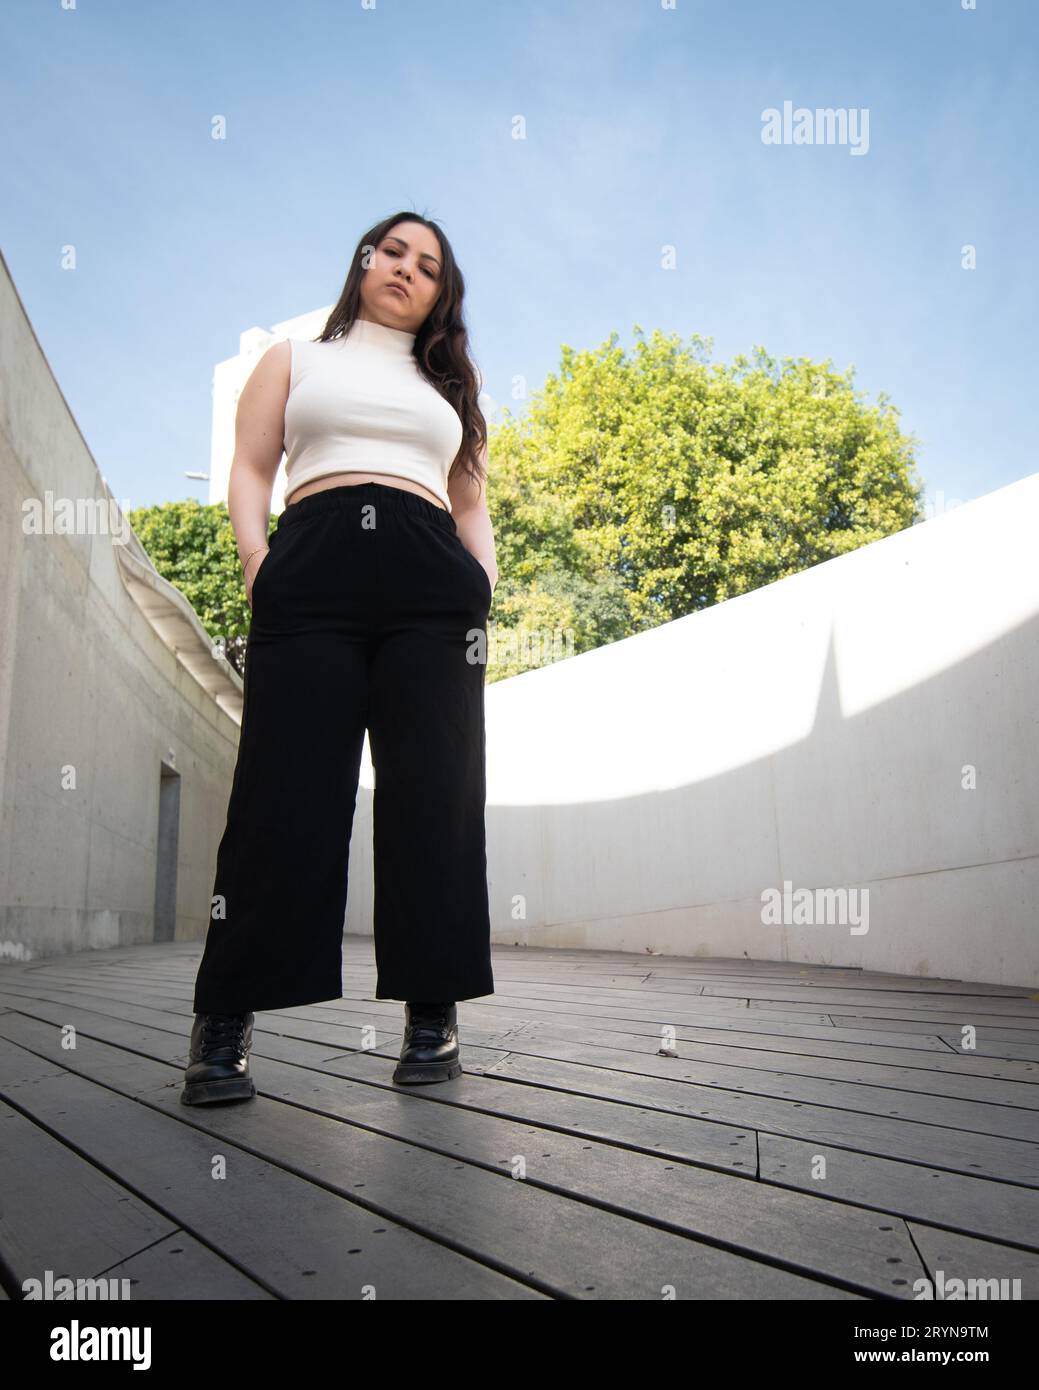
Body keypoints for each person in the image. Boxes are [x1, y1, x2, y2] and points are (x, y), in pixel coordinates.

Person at [181, 212, 497, 1105]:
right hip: (312, 564)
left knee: (434, 795)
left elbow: (469, 502)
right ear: (363, 260)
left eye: (428, 264)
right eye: (393, 250)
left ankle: (431, 1016)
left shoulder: (451, 383)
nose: (406, 269)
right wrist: (257, 563)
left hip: (430, 584)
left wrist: (481, 582)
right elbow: (250, 467)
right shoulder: (294, 357)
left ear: (442, 291)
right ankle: (225, 1020)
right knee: (281, 797)